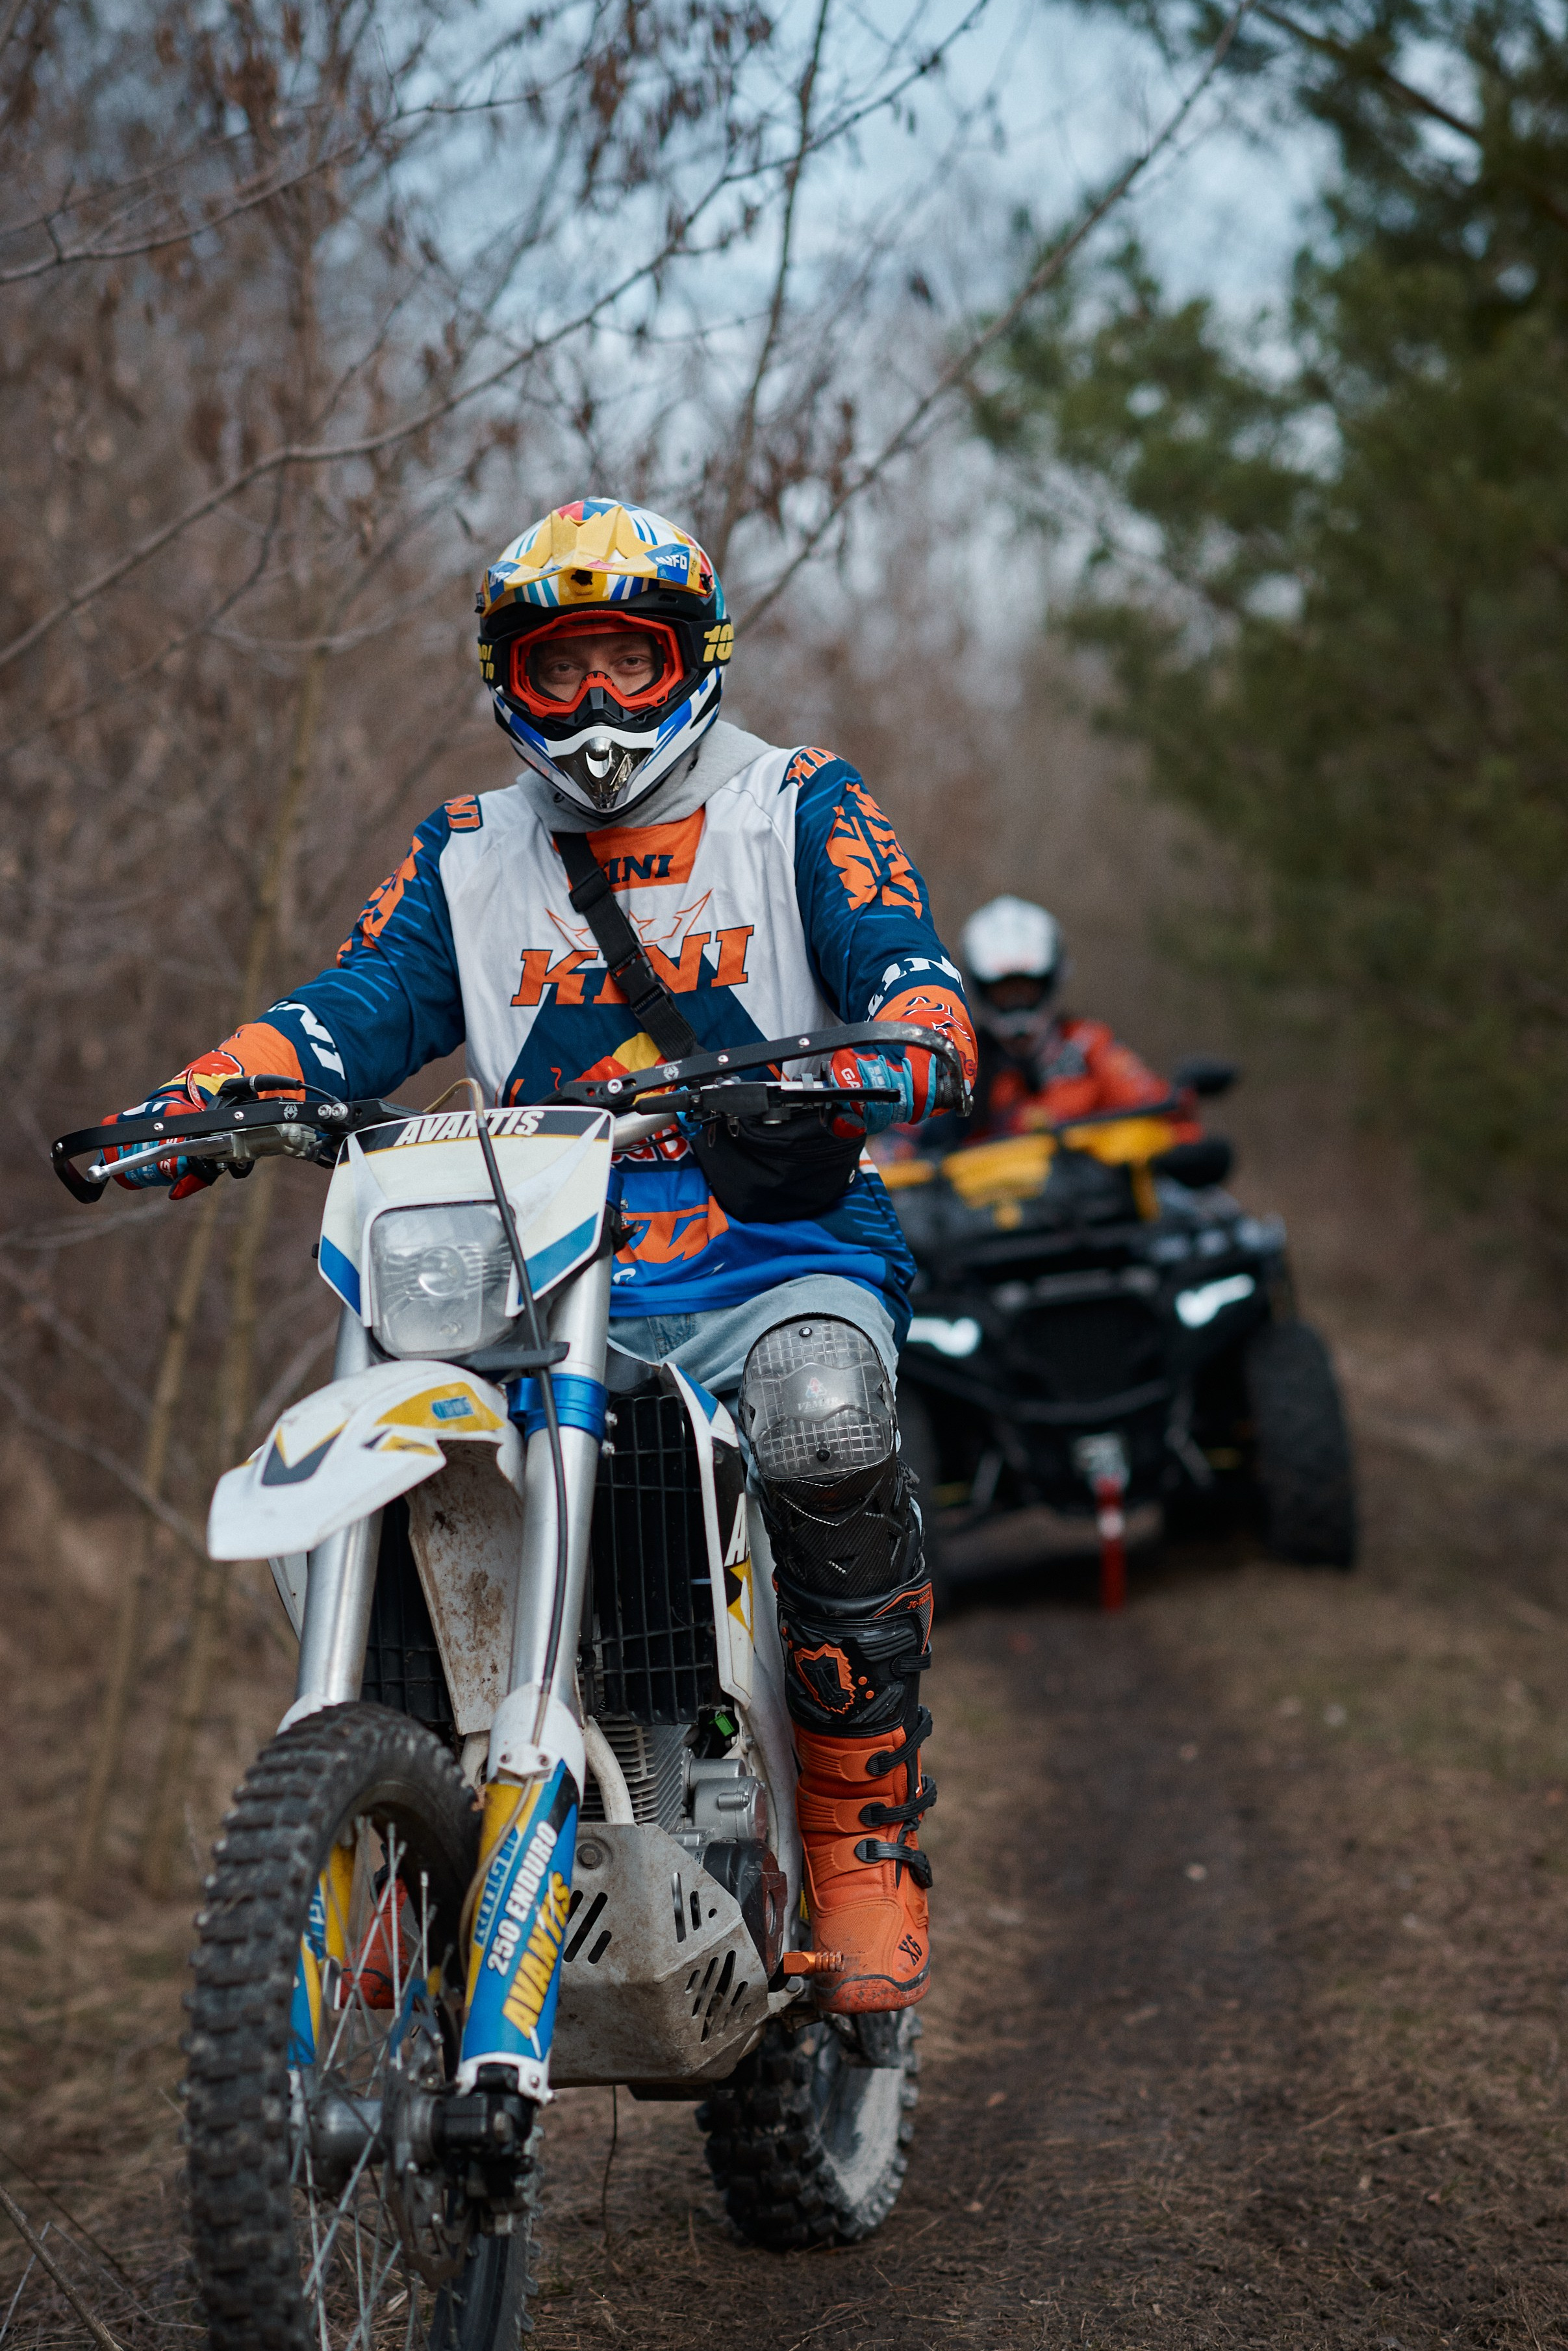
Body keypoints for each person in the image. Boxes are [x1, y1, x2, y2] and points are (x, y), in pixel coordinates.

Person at [105, 498, 976, 2016]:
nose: (587, 705)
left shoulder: (798, 804)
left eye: (621, 664)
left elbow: (904, 968)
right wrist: (204, 1096)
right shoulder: (468, 851)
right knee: (364, 1480)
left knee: (825, 1409)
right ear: (505, 673)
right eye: (552, 663)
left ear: (687, 660)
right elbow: (355, 1004)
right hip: (530, 1275)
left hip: (774, 1251)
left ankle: (856, 1837)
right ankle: (415, 1838)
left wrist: (902, 1044)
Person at [955, 893, 1192, 1141]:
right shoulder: (962, 1066)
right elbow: (915, 1144)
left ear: (1050, 981)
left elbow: (1155, 1106)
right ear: (980, 989)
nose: (1017, 1003)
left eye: (1026, 989)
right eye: (1004, 992)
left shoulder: (1087, 1045)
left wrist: (1183, 1146)